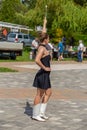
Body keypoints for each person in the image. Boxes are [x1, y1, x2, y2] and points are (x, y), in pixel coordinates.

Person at [32, 17, 52, 122]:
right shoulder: (42, 48)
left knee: (48, 93)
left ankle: (41, 113)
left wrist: (44, 23)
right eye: (48, 38)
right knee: (39, 94)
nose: (49, 40)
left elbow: (43, 33)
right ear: (45, 40)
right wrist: (44, 67)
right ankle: (35, 115)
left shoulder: (44, 45)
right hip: (42, 74)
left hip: (46, 75)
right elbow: (36, 60)